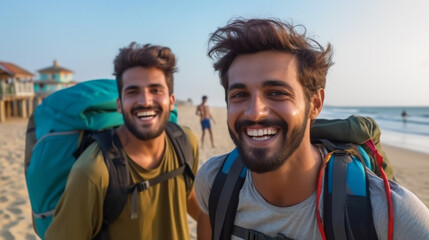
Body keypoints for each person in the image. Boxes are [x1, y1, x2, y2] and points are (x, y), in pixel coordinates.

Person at [195, 18, 429, 239]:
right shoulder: (215, 182)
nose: (255, 112)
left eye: (277, 93)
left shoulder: (389, 214)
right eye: (240, 95)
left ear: (315, 104)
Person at [45, 42, 200, 239]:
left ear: (171, 101)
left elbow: (190, 199)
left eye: (155, 90)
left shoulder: (185, 142)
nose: (145, 101)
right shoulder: (93, 171)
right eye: (132, 92)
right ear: (119, 104)